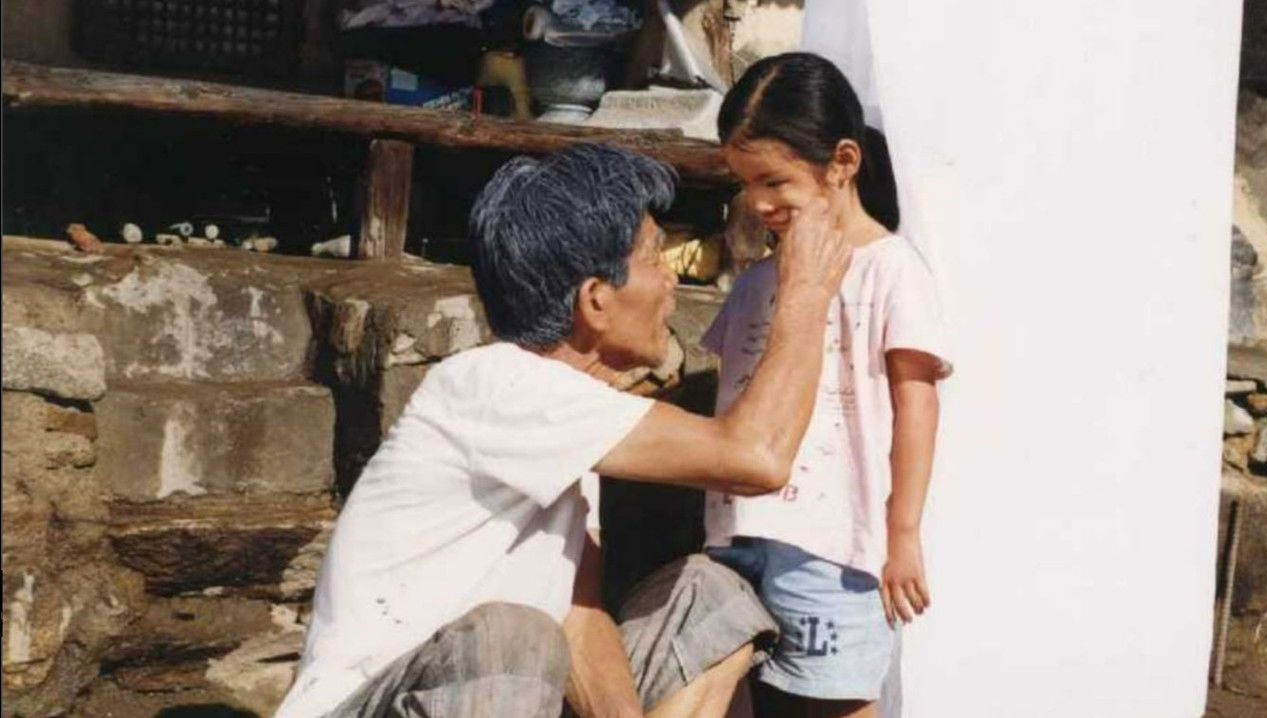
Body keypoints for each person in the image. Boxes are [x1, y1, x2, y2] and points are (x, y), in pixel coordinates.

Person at [273, 143, 855, 718]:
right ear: (596, 301)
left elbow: (577, 616)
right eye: (655, 257)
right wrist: (804, 292)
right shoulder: (495, 384)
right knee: (512, 636)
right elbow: (757, 457)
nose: (670, 281)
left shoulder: (578, 421)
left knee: (710, 594)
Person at [702, 52, 952, 718]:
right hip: (739, 534)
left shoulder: (891, 272)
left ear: (843, 162)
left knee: (838, 703)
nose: (758, 203)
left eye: (774, 181)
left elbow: (917, 408)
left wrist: (903, 534)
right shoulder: (756, 283)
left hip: (835, 546)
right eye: (745, 183)